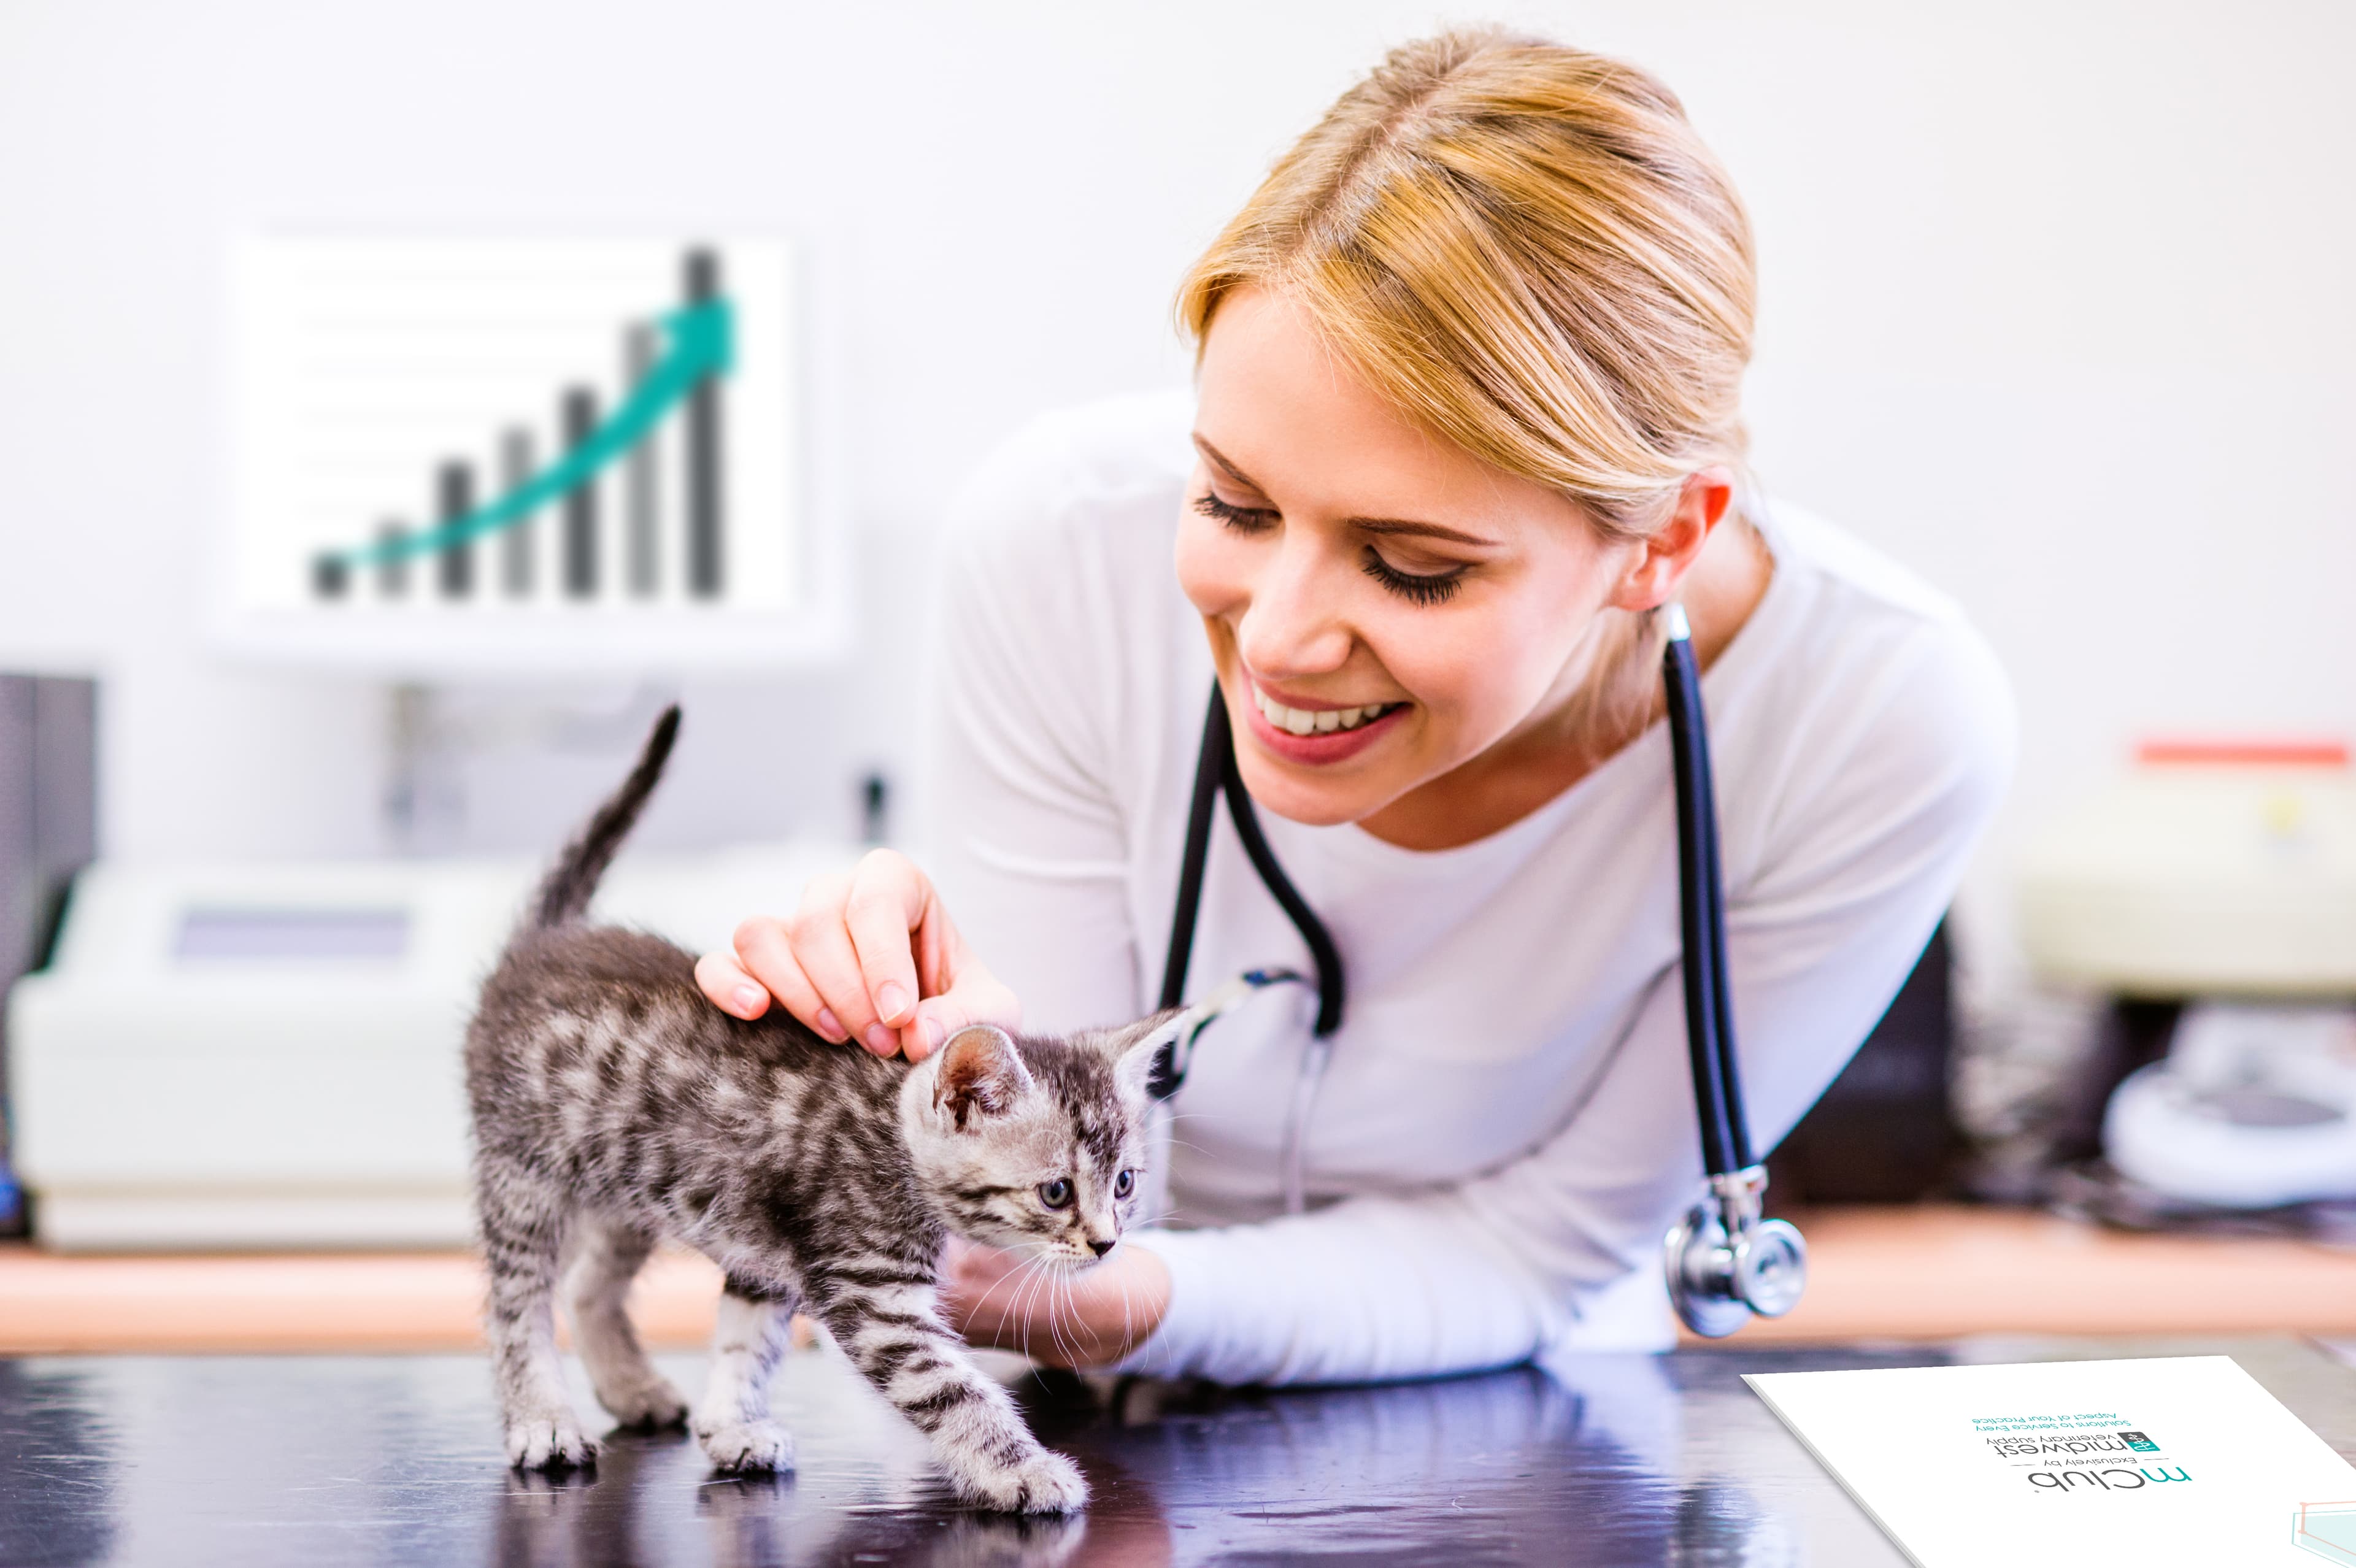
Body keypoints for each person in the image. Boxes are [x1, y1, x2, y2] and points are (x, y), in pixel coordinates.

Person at [696, 28, 2012, 1383]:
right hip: (1091, 1436)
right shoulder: (1057, 545)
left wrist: (1138, 1301)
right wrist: (881, 1081)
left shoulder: (1882, 719)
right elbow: (1018, 1210)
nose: (1274, 640)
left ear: (1664, 542)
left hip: (1534, 1440)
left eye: (1414, 568)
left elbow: (1545, 1246)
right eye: (1230, 503)